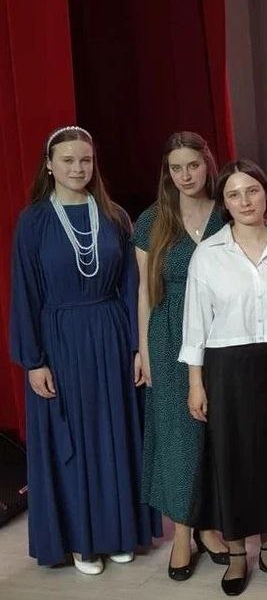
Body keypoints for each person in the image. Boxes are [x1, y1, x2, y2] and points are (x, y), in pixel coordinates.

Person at [10, 126, 160, 573]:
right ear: (49, 165)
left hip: (111, 337)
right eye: (68, 160)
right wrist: (33, 360)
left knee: (115, 433)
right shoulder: (33, 221)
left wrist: (138, 347)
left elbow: (132, 287)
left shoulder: (114, 216)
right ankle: (81, 540)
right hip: (60, 341)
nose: (78, 168)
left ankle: (119, 533)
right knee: (72, 439)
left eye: (86, 160)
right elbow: (24, 292)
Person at [180, 160, 267, 595]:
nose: (245, 201)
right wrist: (196, 383)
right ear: (224, 203)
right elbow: (195, 324)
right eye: (234, 194)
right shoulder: (208, 254)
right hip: (226, 369)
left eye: (252, 191)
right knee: (230, 460)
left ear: (266, 193)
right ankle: (236, 555)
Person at [135, 132, 228, 581]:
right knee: (178, 435)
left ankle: (209, 525)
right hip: (169, 332)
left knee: (214, 432)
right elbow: (144, 291)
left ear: (208, 164)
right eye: (176, 168)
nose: (186, 175)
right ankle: (182, 533)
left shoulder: (227, 212)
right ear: (167, 173)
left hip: (221, 331)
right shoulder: (152, 220)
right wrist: (143, 350)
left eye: (193, 165)